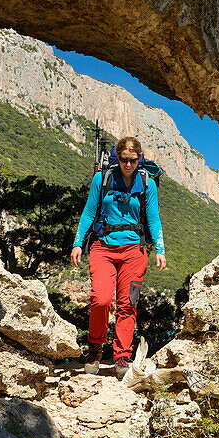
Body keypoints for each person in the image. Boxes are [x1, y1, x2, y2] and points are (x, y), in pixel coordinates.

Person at [71, 137, 166, 378]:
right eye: (123, 159)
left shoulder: (147, 184)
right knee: (101, 300)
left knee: (128, 304)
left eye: (133, 160)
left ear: (139, 159)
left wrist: (160, 249)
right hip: (103, 248)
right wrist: (78, 243)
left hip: (135, 252)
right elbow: (89, 212)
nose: (128, 164)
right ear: (117, 157)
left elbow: (153, 219)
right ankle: (94, 349)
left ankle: (122, 357)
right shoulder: (101, 179)